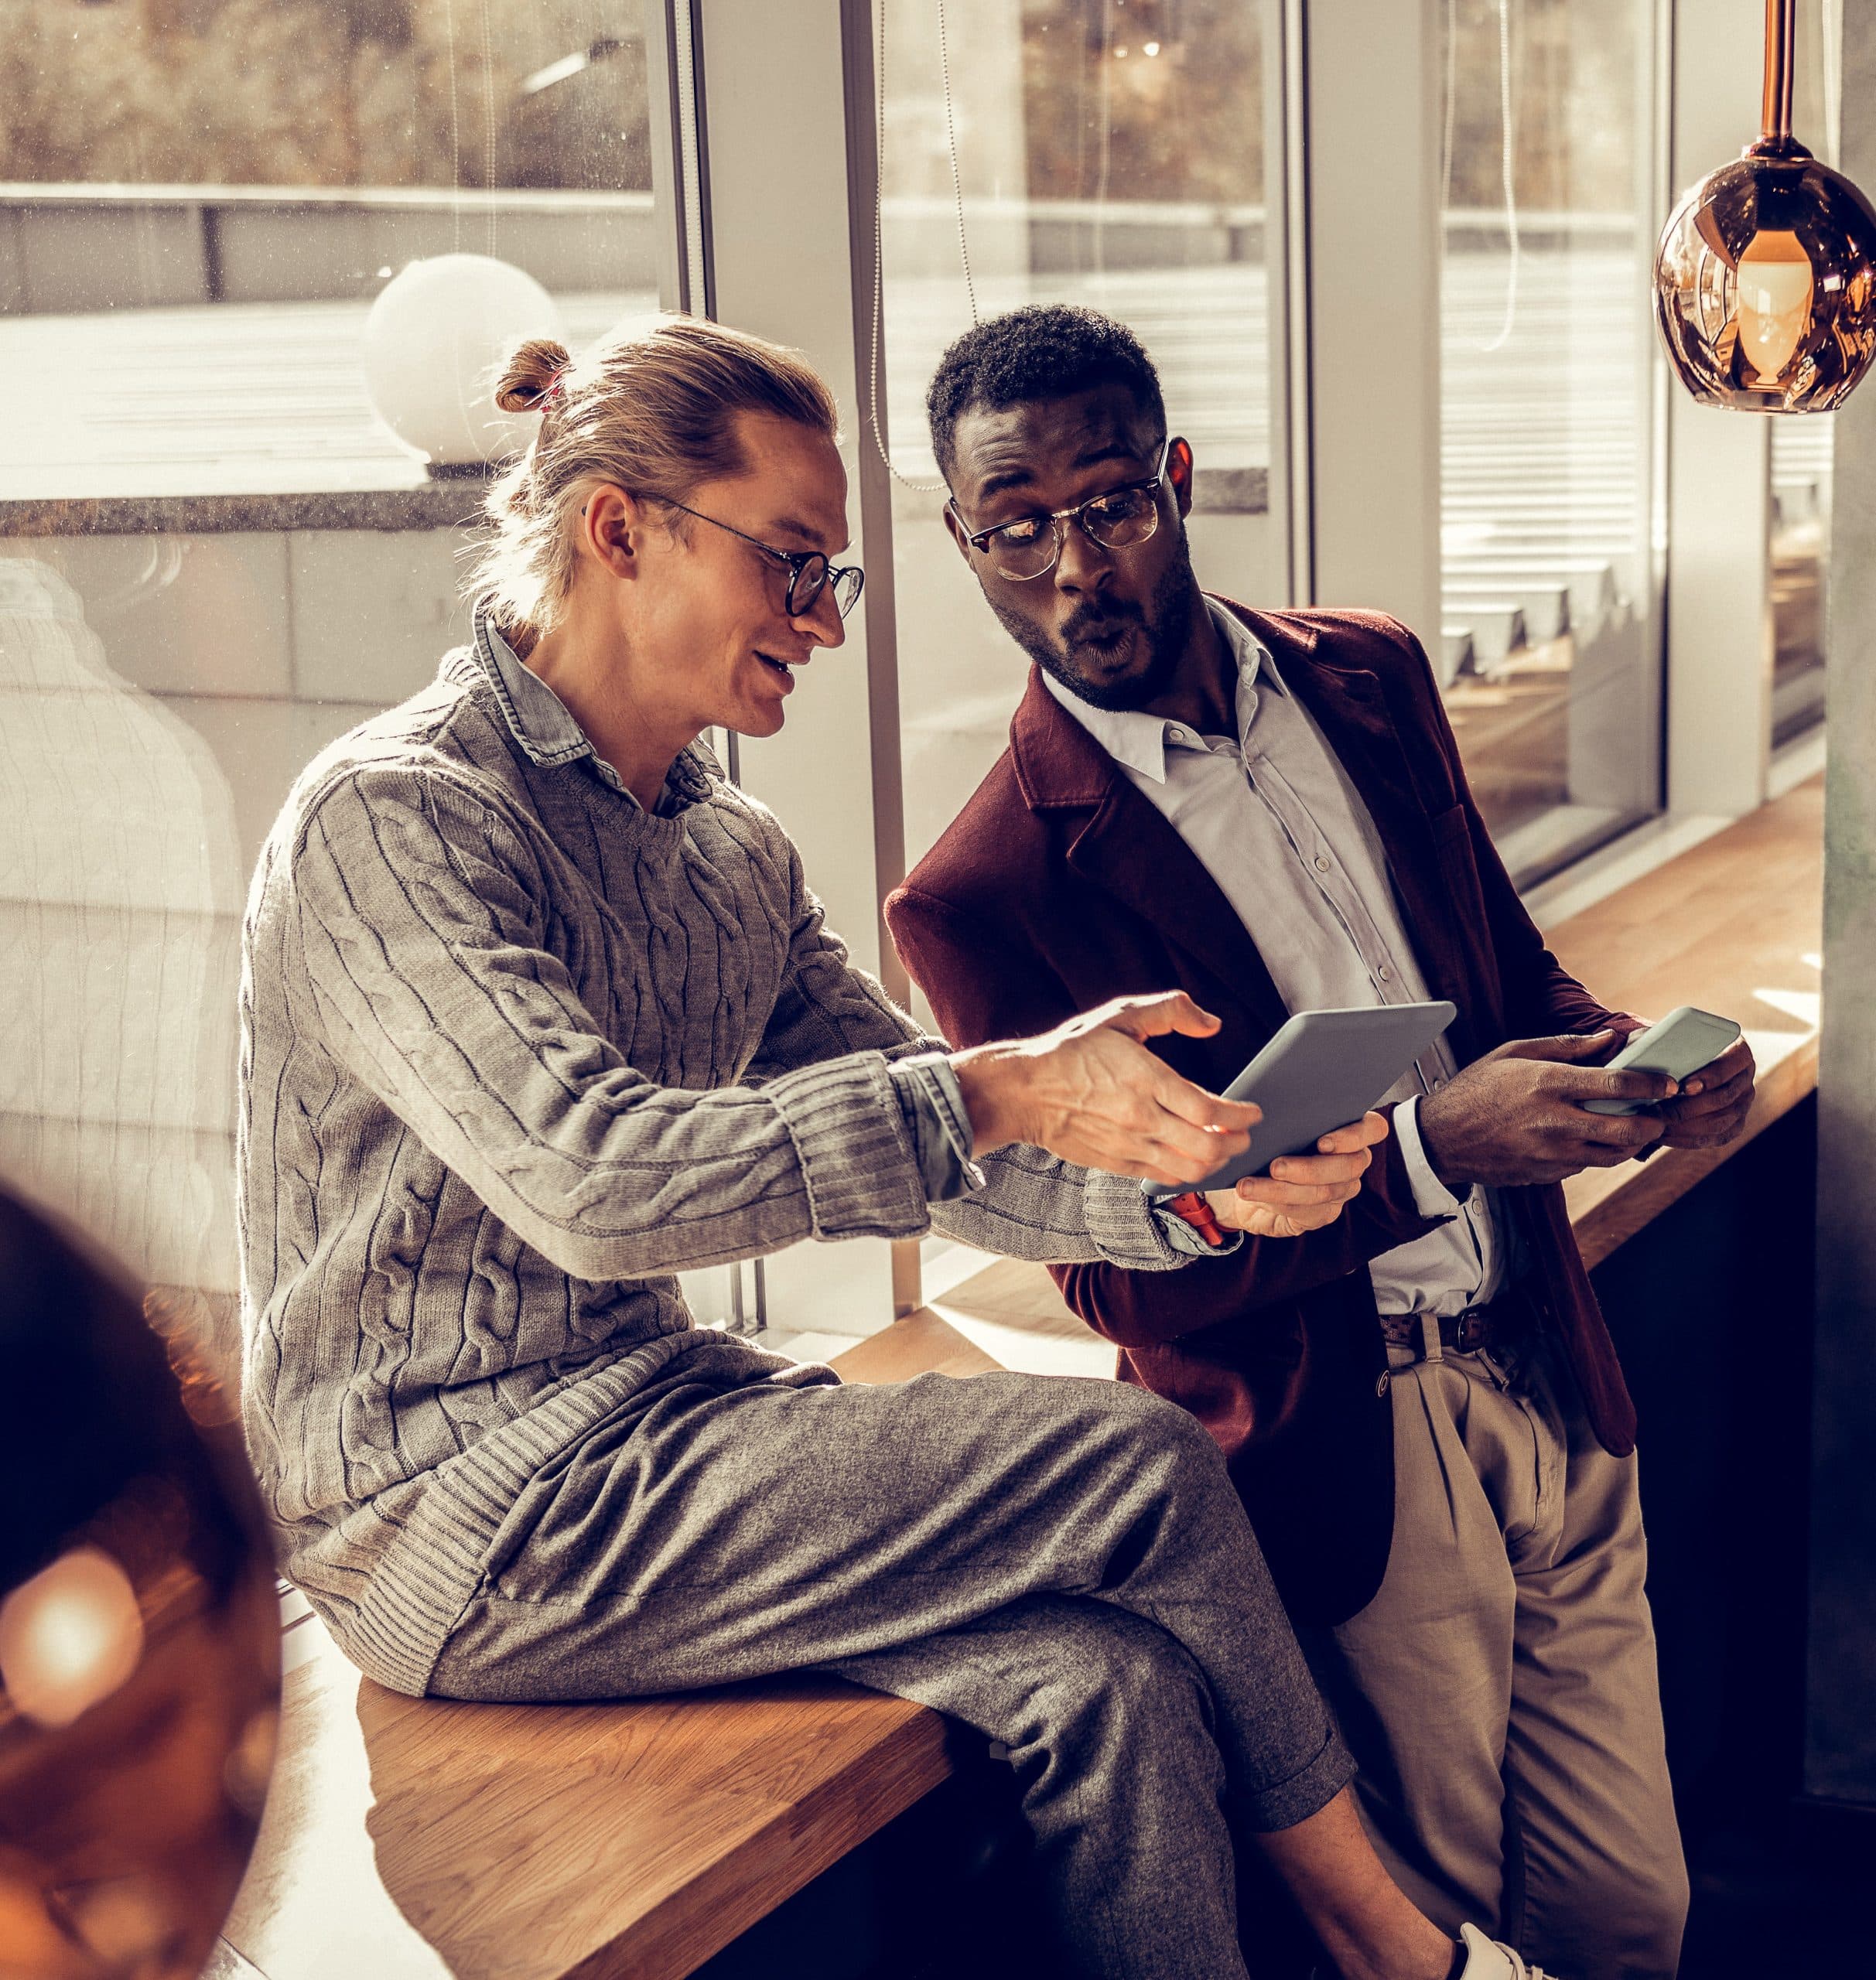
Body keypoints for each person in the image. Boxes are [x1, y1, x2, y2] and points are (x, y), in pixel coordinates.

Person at [237, 315, 1543, 1980]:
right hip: (451, 1513)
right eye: (789, 561)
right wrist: (1005, 1084)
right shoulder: (396, 814)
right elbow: (598, 1176)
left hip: (660, 1428)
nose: (818, 622)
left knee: (1107, 1682)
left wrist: (1205, 1194)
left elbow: (949, 1146)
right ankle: (1398, 1951)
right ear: (617, 527)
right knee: (1138, 1460)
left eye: (832, 577)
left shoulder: (730, 853)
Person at [887, 305, 1760, 1980]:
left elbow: (1498, 967)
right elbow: (1117, 1282)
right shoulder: (984, 888)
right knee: (1448, 1926)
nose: (1072, 563)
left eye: (1110, 505)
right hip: (1351, 1441)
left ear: (1179, 480)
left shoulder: (1365, 670)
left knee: (1629, 1912)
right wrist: (1437, 1142)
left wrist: (1632, 1068)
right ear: (961, 540)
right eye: (1014, 527)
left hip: (1549, 1355)